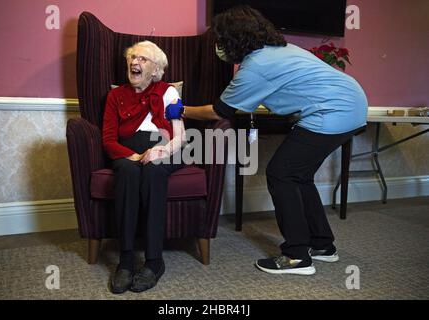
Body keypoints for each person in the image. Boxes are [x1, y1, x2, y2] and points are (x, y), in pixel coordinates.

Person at [166, 5, 368, 275]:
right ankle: (322, 245)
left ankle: (297, 256)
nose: (219, 45)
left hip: (332, 112)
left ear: (235, 39)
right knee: (299, 176)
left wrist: (181, 110)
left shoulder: (256, 66)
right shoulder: (281, 51)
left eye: (222, 39)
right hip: (353, 104)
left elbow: (219, 111)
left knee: (280, 174)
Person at [102, 40, 185, 293]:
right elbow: (108, 139)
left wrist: (162, 150)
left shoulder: (169, 92)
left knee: (154, 170)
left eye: (143, 59)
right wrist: (134, 157)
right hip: (128, 150)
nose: (134, 62)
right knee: (127, 171)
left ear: (156, 69)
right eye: (133, 57)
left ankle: (154, 261)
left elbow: (180, 136)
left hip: (165, 147)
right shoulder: (115, 95)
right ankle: (125, 262)